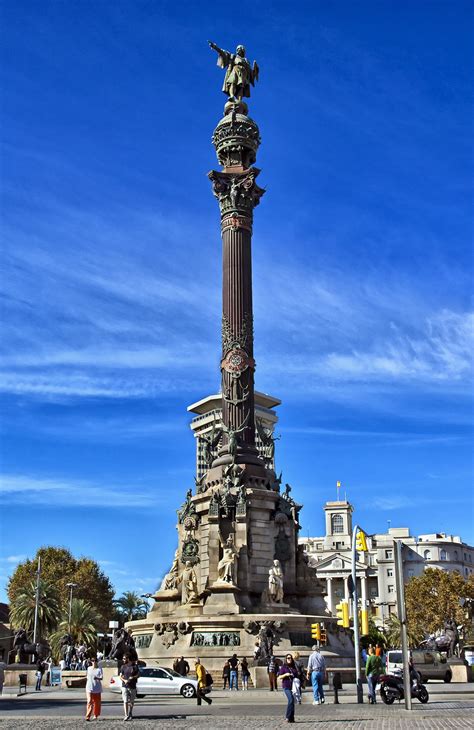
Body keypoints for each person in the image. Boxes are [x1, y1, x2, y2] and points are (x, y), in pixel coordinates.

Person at [278, 653, 299, 723]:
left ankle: (292, 718)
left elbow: (297, 675)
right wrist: (286, 674)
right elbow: (280, 677)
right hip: (286, 686)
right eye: (288, 658)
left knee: (292, 701)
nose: (289, 659)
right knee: (291, 700)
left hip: (293, 687)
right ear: (286, 659)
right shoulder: (284, 667)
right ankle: (287, 717)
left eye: (290, 658)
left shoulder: (294, 667)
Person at [120, 653, 139, 721]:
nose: (123, 660)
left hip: (132, 686)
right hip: (124, 686)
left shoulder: (134, 666)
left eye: (124, 658)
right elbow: (120, 676)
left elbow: (138, 675)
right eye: (123, 658)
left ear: (128, 659)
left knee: (131, 701)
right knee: (125, 701)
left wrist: (133, 677)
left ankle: (130, 712)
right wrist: (124, 680)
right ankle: (126, 714)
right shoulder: (123, 667)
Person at [85, 656, 103, 721]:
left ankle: (96, 714)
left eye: (95, 661)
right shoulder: (89, 668)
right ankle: (88, 716)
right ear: (91, 662)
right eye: (93, 661)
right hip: (89, 687)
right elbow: (87, 677)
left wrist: (97, 678)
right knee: (89, 701)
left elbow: (101, 678)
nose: (94, 662)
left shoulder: (99, 669)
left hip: (97, 688)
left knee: (97, 702)